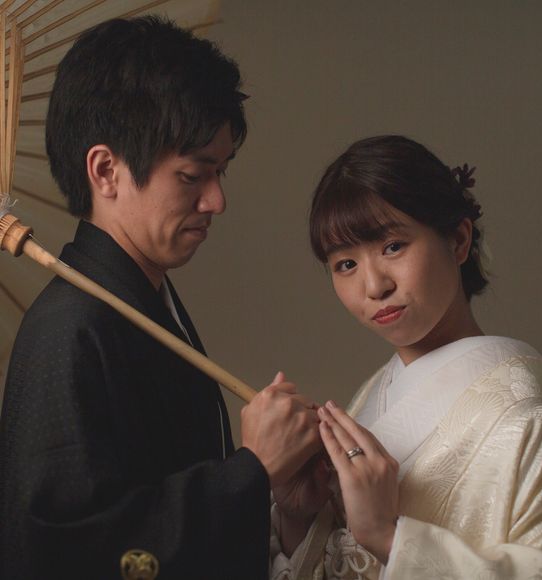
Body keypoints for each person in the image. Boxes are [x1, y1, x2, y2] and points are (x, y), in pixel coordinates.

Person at [0, 16, 321, 579]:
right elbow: (70, 552)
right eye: (193, 175)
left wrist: (283, 501)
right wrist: (251, 471)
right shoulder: (68, 329)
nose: (216, 201)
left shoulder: (143, 301)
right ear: (106, 170)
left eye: (221, 172)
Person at [270, 135, 542, 579]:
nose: (374, 286)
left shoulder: (523, 419)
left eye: (392, 246)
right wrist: (298, 518)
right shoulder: (373, 395)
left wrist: (390, 538)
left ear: (458, 240)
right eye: (346, 265)